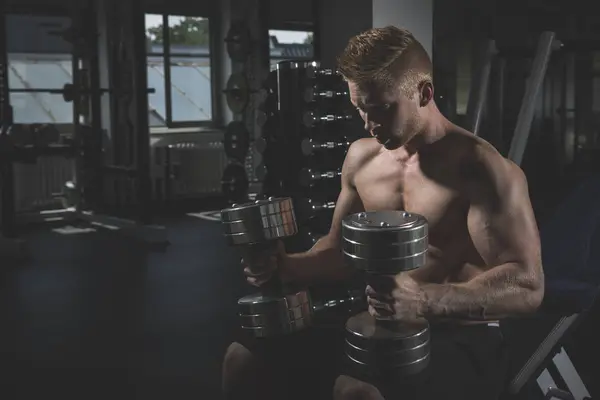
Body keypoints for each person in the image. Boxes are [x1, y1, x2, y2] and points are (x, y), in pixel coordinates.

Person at [222, 26, 544, 400]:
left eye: (382, 108)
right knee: (242, 358)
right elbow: (341, 252)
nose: (369, 123)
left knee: (356, 393)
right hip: (377, 328)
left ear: (424, 93)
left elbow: (528, 285)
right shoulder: (362, 159)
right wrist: (286, 266)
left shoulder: (480, 169)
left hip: (462, 336)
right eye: (360, 108)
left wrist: (424, 300)